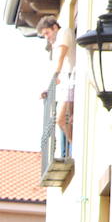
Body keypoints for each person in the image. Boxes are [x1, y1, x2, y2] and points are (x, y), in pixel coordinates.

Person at [36, 14, 75, 147]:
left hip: (72, 80)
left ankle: (74, 147)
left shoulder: (64, 33)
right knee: (64, 119)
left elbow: (61, 57)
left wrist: (55, 76)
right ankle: (73, 145)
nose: (46, 37)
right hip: (67, 82)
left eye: (47, 33)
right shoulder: (55, 43)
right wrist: (48, 88)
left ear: (54, 27)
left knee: (62, 119)